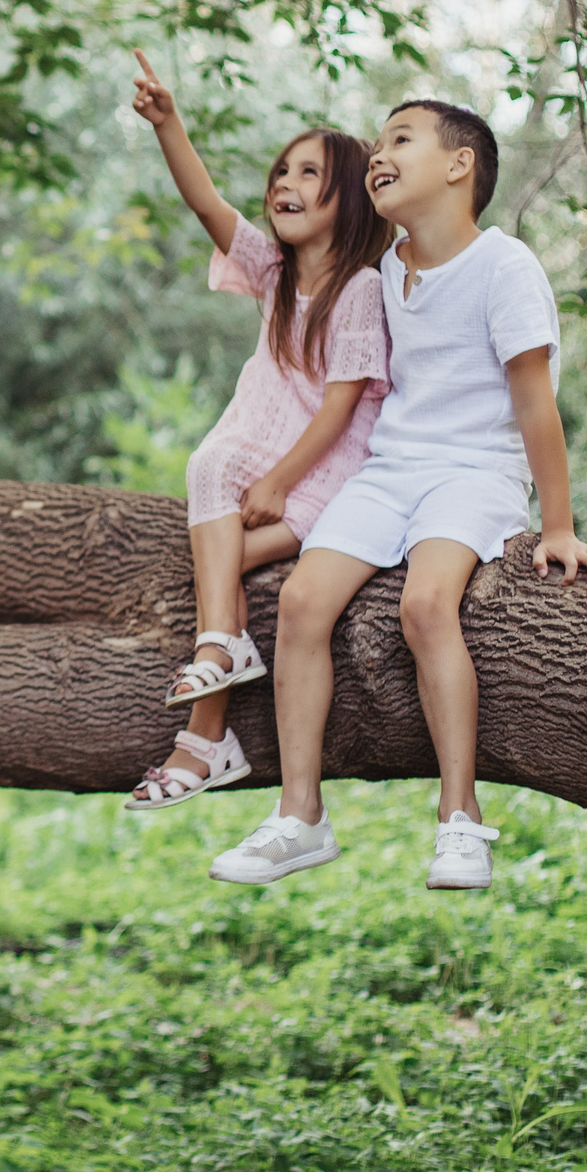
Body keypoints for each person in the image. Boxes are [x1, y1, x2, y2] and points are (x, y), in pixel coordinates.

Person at [210, 100, 587, 887]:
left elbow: (536, 403)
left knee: (426, 604)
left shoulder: (505, 266)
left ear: (460, 165)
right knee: (300, 604)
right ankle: (300, 816)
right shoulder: (385, 271)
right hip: (390, 469)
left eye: (401, 139)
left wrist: (560, 527)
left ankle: (460, 819)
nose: (378, 154)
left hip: (474, 472)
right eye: (376, 147)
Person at [125, 52, 394, 810]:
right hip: (258, 460)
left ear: (348, 198)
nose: (286, 183)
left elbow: (343, 408)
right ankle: (209, 713)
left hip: (328, 477)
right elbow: (206, 202)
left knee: (220, 560)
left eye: (309, 174)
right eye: (282, 171)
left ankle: (204, 729)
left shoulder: (362, 288)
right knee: (212, 482)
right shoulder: (274, 275)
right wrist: (167, 123)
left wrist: (278, 482)